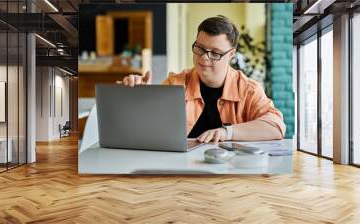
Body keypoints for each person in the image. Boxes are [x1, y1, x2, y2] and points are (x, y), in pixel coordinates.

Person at [117, 15, 286, 144]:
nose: (204, 58)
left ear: (231, 55)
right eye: (200, 48)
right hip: (180, 173)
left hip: (231, 177)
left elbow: (276, 127)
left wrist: (227, 133)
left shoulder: (249, 90)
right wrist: (139, 97)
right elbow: (147, 127)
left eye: (215, 53)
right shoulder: (175, 84)